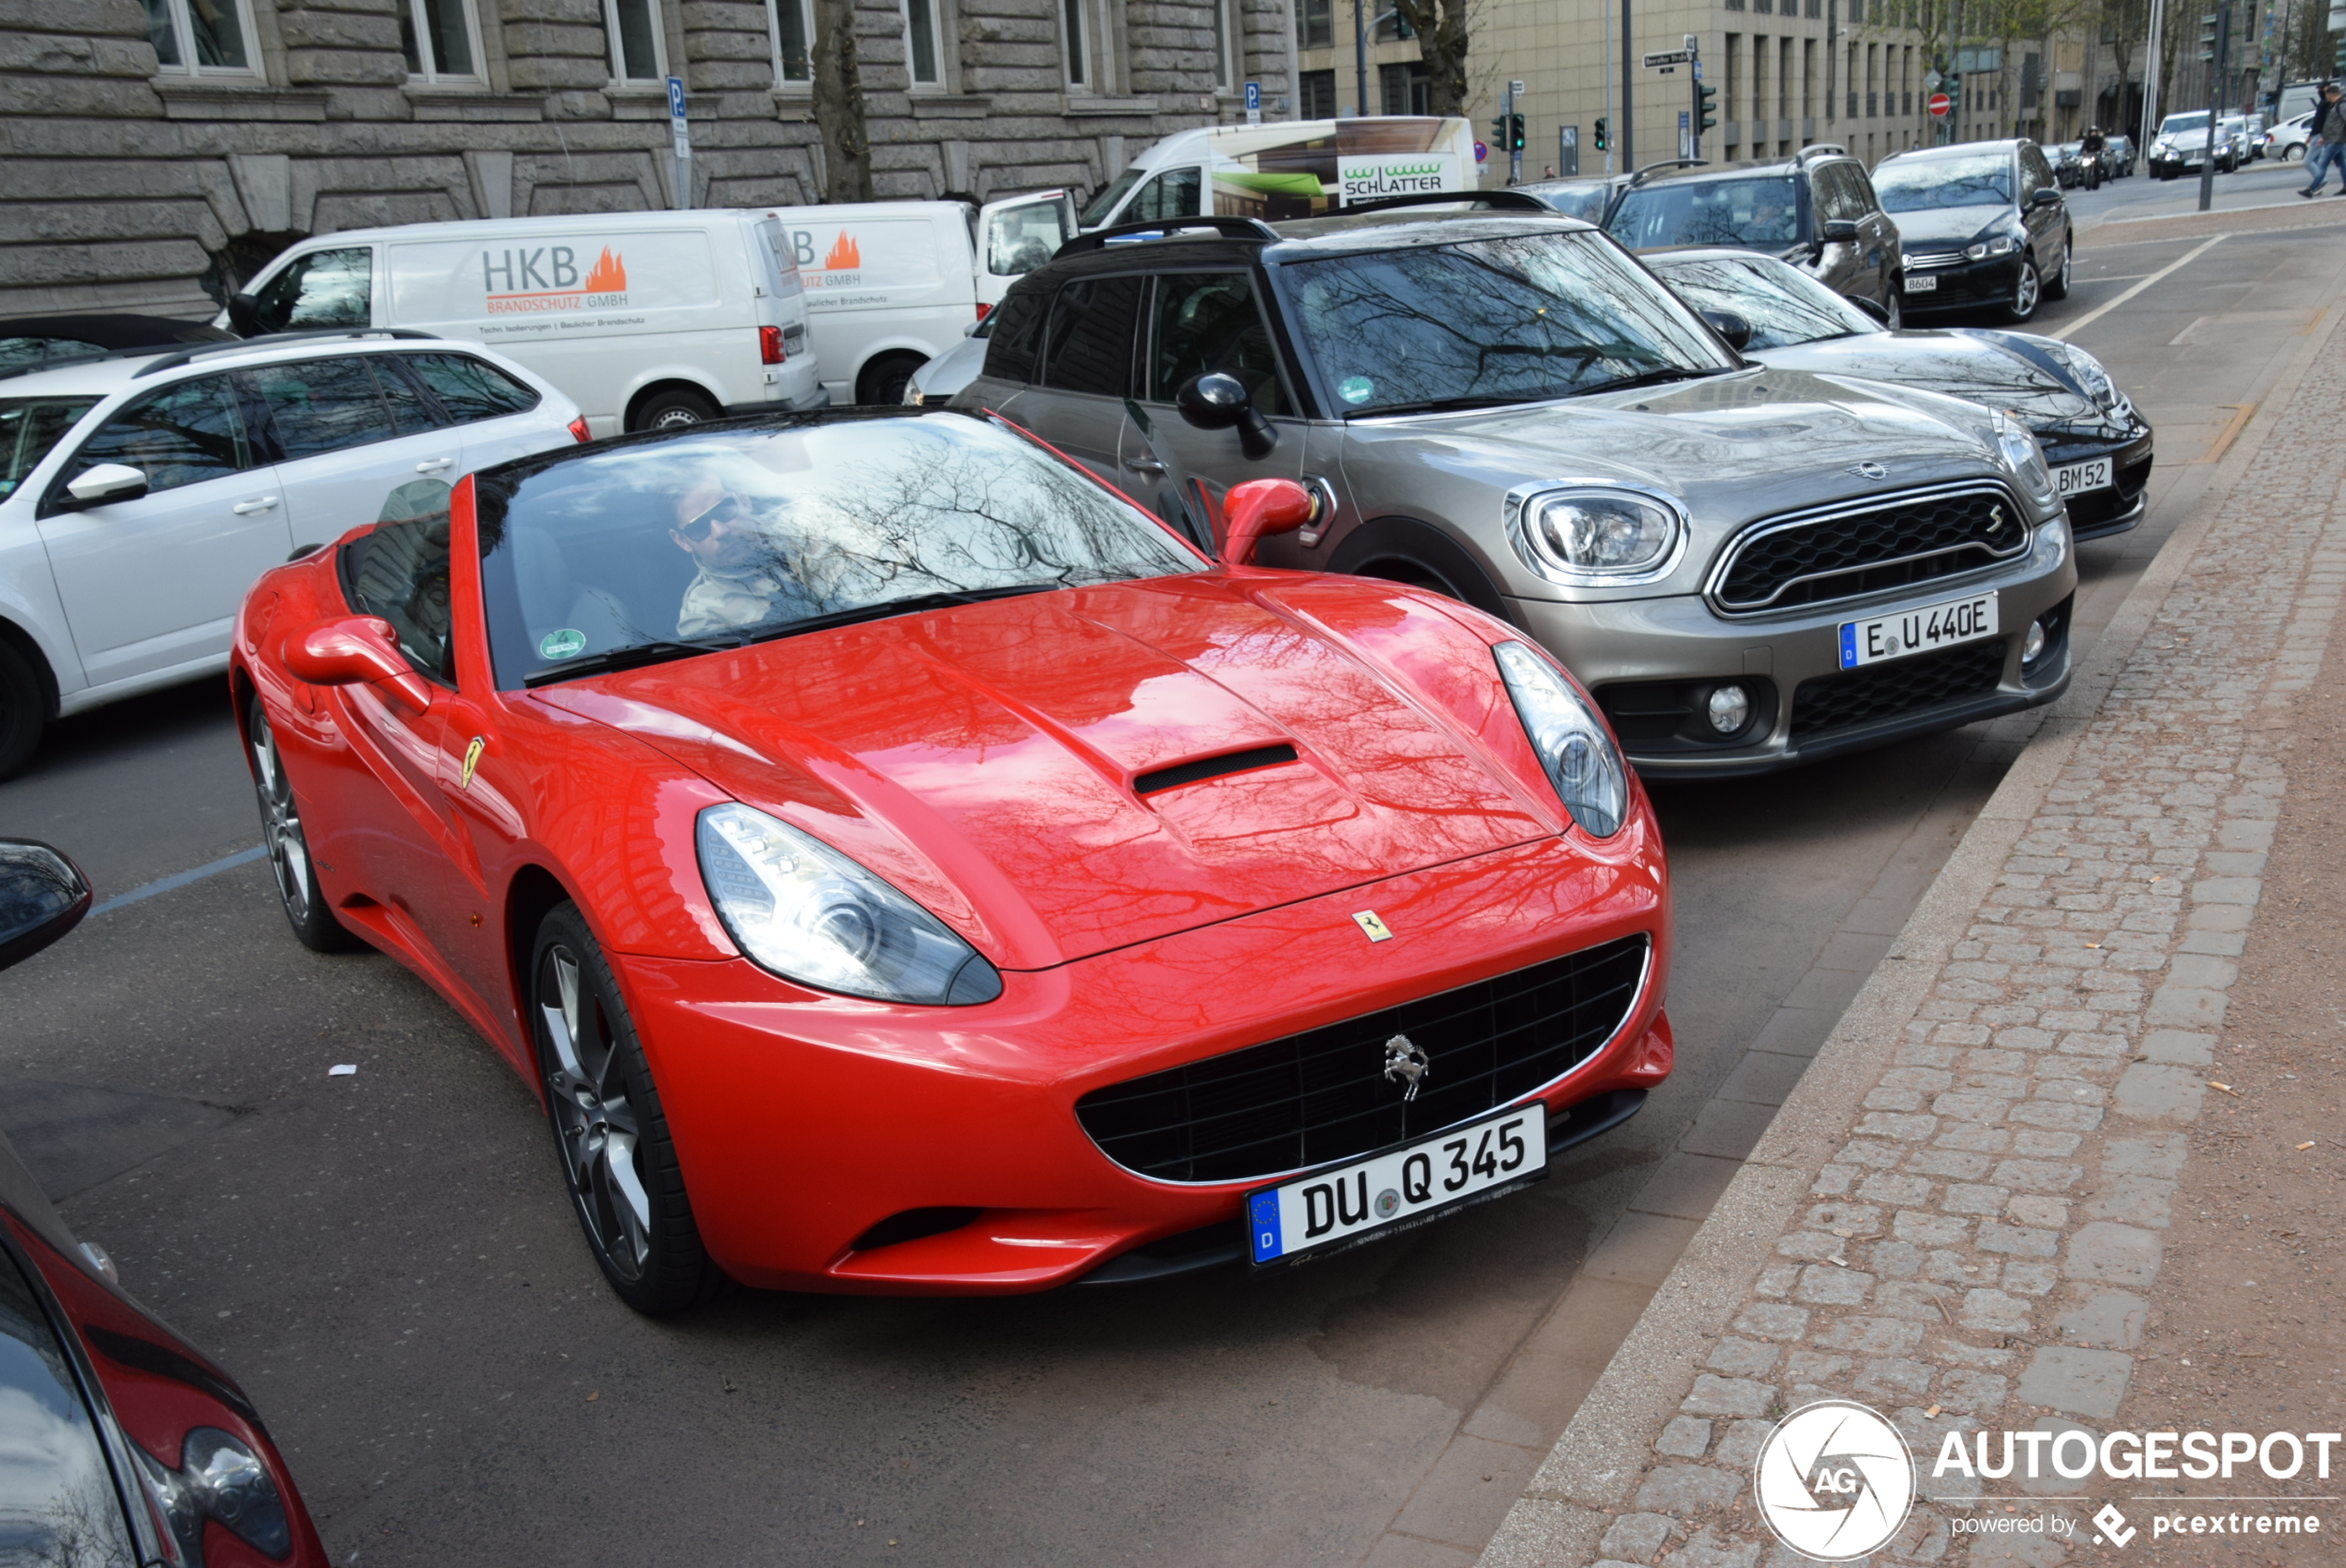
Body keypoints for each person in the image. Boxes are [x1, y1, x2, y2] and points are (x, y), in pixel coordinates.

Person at [671, 476, 829, 638]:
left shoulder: (811, 525)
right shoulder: (703, 619)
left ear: (744, 499)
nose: (720, 531)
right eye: (698, 527)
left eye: (723, 510)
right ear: (682, 541)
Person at [2301, 82, 2346, 198]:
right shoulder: (2335, 105)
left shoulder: (2341, 105)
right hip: (2333, 139)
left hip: (2335, 140)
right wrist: (2324, 137)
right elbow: (2330, 123)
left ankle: (2311, 189)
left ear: (2330, 95)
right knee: (2341, 165)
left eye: (2327, 95)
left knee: (2322, 165)